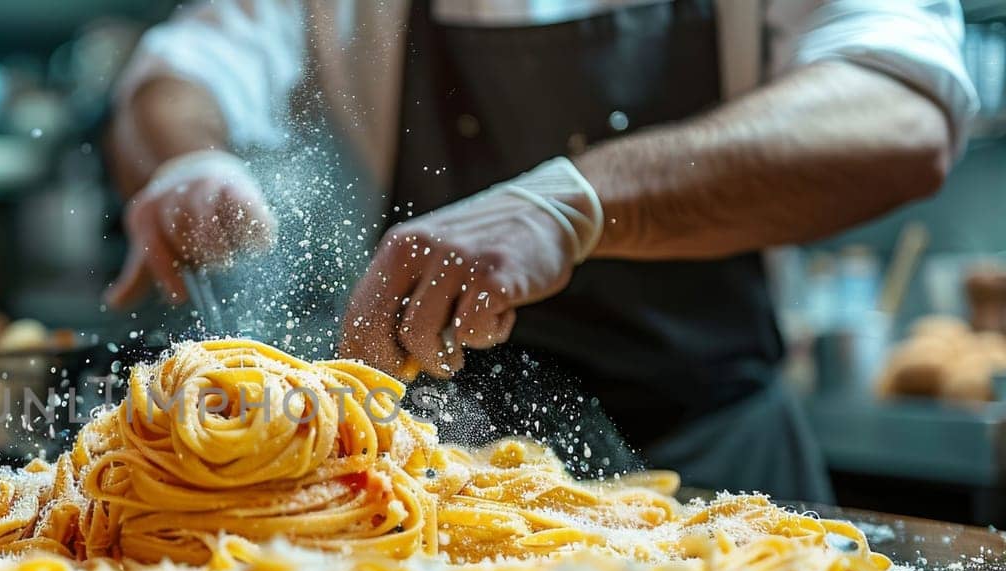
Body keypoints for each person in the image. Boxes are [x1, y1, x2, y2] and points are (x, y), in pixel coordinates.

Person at [103, 0, 976, 502]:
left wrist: (577, 203)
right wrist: (190, 157)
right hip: (432, 487)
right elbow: (183, 69)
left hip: (725, 467)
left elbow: (898, 109)